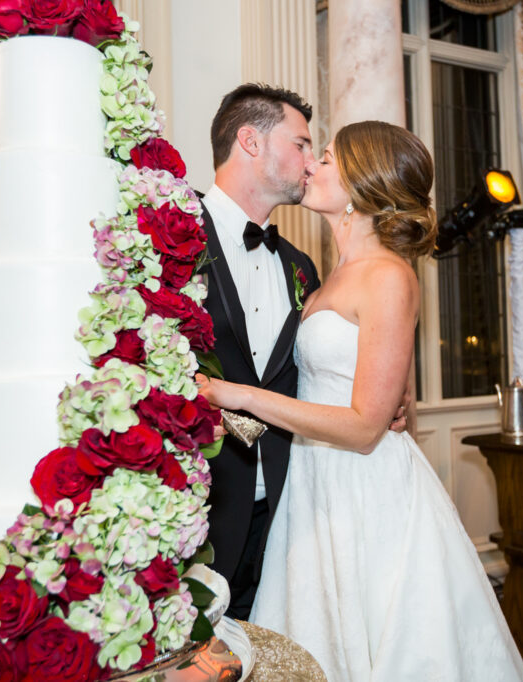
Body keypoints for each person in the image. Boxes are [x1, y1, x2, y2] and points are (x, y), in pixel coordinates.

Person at [198, 121, 523, 681]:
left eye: (322, 158)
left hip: (365, 490)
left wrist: (239, 397)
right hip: (312, 482)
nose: (310, 167)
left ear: (357, 185)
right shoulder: (320, 276)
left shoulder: (388, 276)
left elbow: (363, 426)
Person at [198, 83, 323, 620]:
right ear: (250, 141)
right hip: (195, 511)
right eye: (300, 145)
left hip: (281, 512)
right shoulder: (166, 239)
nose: (312, 163)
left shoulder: (301, 266)